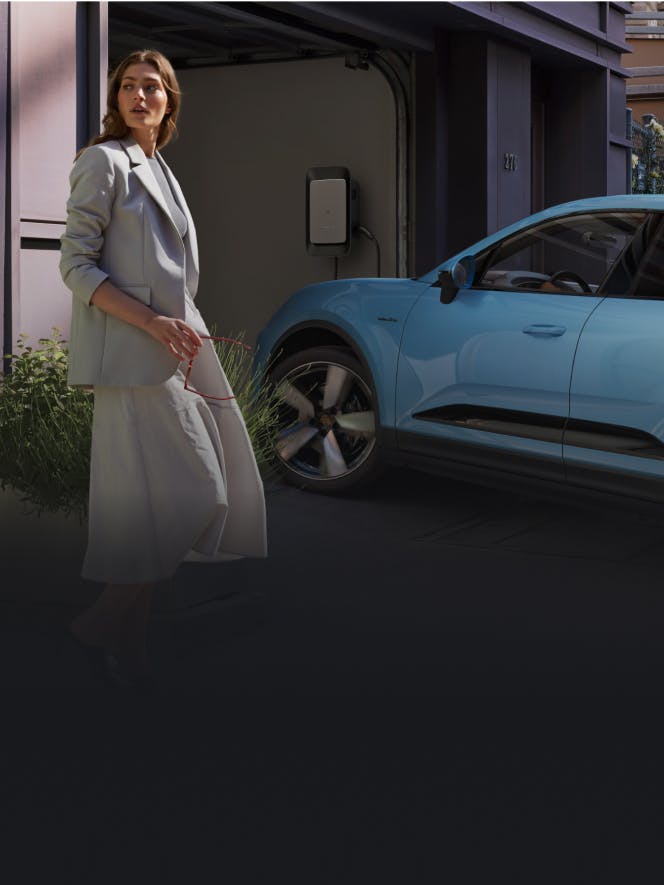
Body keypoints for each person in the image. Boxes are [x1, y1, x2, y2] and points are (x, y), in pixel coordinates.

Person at [59, 49, 267, 689]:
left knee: (151, 512)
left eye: (151, 86)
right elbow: (75, 265)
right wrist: (151, 323)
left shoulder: (160, 168)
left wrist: (185, 333)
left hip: (178, 353)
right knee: (199, 494)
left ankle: (129, 651)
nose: (139, 95)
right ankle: (93, 627)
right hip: (133, 359)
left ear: (170, 100)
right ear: (116, 99)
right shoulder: (104, 161)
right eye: (128, 86)